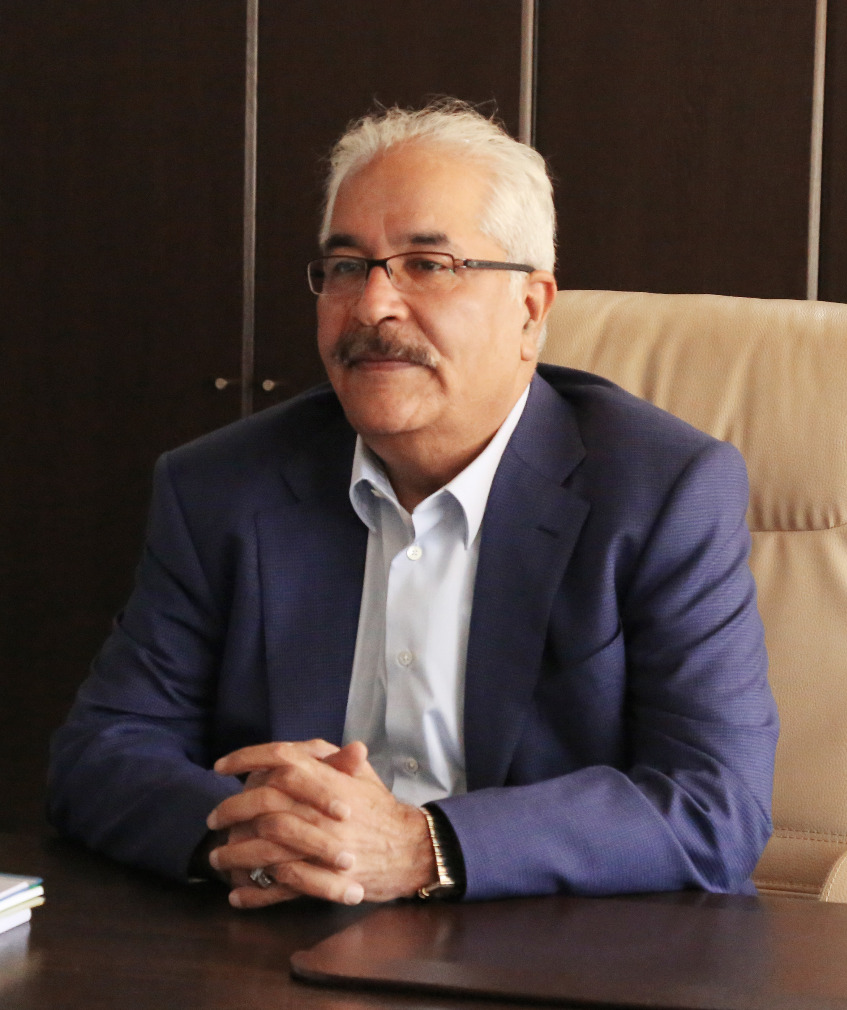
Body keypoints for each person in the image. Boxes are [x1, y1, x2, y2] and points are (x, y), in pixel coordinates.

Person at [48, 100, 778, 908]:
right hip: (284, 929)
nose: (371, 307)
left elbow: (715, 804)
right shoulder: (221, 487)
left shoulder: (660, 491)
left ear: (531, 309)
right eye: (346, 267)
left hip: (556, 944)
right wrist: (266, 843)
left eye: (427, 264)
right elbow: (102, 753)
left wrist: (421, 848)